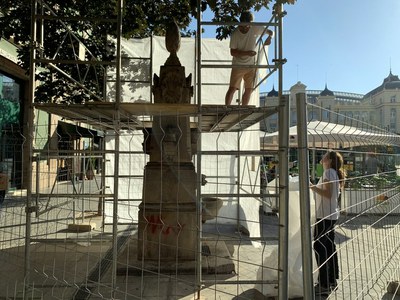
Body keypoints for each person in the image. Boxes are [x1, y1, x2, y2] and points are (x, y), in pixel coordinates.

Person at [310, 151, 346, 295]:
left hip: (325, 216)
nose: (322, 157)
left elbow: (328, 194)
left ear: (329, 160)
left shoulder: (329, 172)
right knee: (329, 246)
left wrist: (311, 186)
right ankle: (332, 280)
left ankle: (324, 283)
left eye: (325, 155)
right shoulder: (331, 172)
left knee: (320, 246)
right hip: (329, 215)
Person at [225, 11, 273, 106]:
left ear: (251, 23)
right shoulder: (235, 34)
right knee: (232, 88)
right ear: (240, 22)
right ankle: (226, 108)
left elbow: (270, 31)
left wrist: (270, 37)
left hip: (251, 65)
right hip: (238, 65)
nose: (245, 28)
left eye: (248, 25)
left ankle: (243, 109)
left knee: (249, 89)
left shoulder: (255, 28)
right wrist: (247, 53)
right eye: (243, 25)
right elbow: (232, 52)